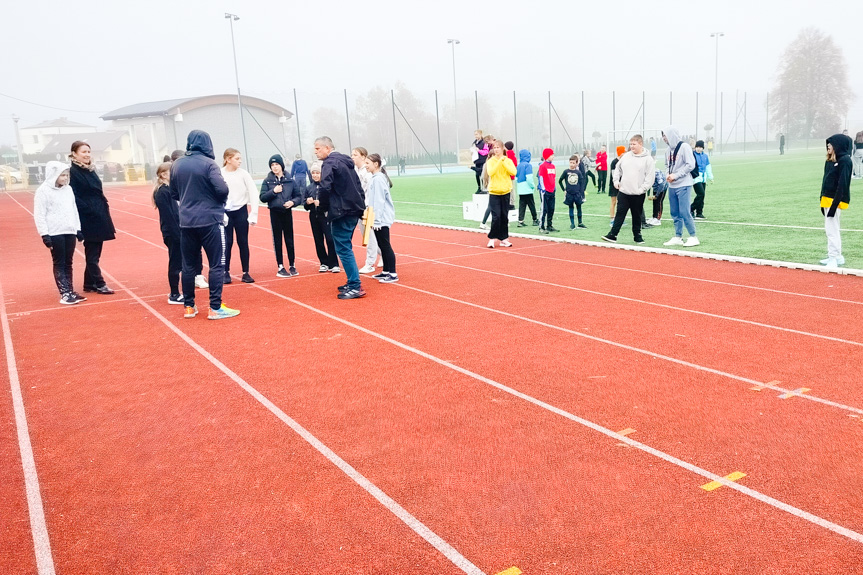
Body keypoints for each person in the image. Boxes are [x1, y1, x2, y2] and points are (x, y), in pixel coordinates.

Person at [170, 130, 239, 320]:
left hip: (186, 222)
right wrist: (215, 201)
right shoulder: (209, 164)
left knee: (189, 266)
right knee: (217, 264)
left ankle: (189, 307)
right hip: (210, 220)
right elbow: (222, 189)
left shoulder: (177, 164)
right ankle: (215, 307)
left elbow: (174, 193)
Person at [314, 136, 367, 299]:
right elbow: (358, 186)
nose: (315, 152)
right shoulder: (346, 162)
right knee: (345, 246)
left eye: (318, 148)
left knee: (343, 248)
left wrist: (322, 208)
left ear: (328, 148)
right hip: (352, 209)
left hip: (341, 211)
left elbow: (324, 187)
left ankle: (355, 285)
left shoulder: (330, 163)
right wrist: (360, 205)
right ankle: (352, 281)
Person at [34, 161, 85, 305]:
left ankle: (70, 290)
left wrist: (77, 228)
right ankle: (64, 293)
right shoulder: (43, 191)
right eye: (62, 175)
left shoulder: (68, 189)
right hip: (54, 232)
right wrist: (44, 234)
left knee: (69, 262)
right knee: (59, 262)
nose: (65, 178)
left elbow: (73, 209)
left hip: (69, 230)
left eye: (66, 175)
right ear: (53, 175)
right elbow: (39, 214)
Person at [68, 140, 116, 295]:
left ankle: (89, 283)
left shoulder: (90, 169)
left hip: (99, 214)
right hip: (88, 217)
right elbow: (74, 195)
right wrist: (88, 210)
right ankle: (100, 283)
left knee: (95, 251)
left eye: (88, 152)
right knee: (93, 252)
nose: (87, 155)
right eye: (83, 152)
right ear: (74, 153)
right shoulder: (73, 172)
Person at [602, 135, 655, 244]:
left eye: (634, 144)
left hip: (638, 194)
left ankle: (637, 236)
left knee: (637, 215)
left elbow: (650, 177)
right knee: (620, 213)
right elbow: (617, 169)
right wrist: (616, 181)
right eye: (630, 144)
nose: (631, 146)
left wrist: (642, 189)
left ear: (641, 144)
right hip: (624, 192)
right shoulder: (626, 156)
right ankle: (613, 235)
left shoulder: (648, 159)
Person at [260, 154, 301, 278]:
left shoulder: (290, 180)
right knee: (277, 240)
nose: (275, 167)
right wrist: (273, 191)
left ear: (281, 165)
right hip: (275, 213)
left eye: (277, 164)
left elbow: (299, 196)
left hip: (287, 212)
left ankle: (292, 264)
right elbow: (262, 197)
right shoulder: (267, 181)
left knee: (289, 239)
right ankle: (280, 266)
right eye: (272, 165)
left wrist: (292, 202)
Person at [220, 148, 258, 284]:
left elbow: (253, 192)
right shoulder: (219, 173)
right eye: (237, 158)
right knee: (227, 243)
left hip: (241, 211)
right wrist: (219, 212)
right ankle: (225, 271)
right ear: (228, 159)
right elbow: (214, 194)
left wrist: (254, 214)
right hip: (226, 212)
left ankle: (246, 272)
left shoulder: (244, 174)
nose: (240, 161)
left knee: (243, 242)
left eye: (240, 158)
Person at [172, 148, 207, 289]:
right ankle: (179, 288)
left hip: (193, 219)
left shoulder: (191, 176)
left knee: (196, 250)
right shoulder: (172, 180)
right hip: (180, 222)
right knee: (182, 255)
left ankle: (197, 276)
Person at [661, 126, 699, 247]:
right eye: (662, 136)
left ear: (671, 135)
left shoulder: (684, 147)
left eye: (665, 135)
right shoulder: (667, 150)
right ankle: (678, 236)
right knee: (674, 212)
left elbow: (690, 165)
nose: (664, 138)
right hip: (672, 185)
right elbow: (667, 165)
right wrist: (667, 174)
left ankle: (693, 236)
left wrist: (676, 175)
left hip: (684, 184)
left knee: (684, 211)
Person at [819, 134, 853, 268]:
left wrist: (834, 205)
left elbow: (842, 185)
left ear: (838, 145)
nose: (828, 145)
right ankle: (836, 256)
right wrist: (821, 200)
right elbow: (825, 181)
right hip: (827, 200)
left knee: (832, 229)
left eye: (831, 144)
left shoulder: (845, 160)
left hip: (835, 201)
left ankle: (834, 257)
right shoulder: (830, 160)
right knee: (830, 229)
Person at [152, 162, 183, 305]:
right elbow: (169, 216)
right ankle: (174, 293)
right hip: (172, 233)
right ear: (164, 175)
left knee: (179, 262)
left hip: (176, 231)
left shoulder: (170, 190)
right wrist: (177, 235)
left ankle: (176, 292)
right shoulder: (163, 192)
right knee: (175, 263)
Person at [365, 153, 398, 282]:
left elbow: (379, 201)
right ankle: (386, 271)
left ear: (376, 164)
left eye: (368, 163)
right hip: (377, 217)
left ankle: (393, 273)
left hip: (381, 218)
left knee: (385, 245)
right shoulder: (375, 178)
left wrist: (377, 220)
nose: (366, 166)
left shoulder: (378, 179)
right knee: (381, 244)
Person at [304, 161, 340, 273]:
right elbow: (304, 205)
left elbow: (333, 201)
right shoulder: (309, 187)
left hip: (326, 216)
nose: (315, 175)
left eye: (317, 173)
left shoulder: (327, 186)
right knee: (318, 240)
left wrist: (322, 203)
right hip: (314, 216)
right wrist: (308, 202)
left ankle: (334, 263)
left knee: (330, 239)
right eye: (313, 173)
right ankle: (323, 262)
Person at [352, 147, 382, 274]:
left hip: (367, 208)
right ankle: (384, 254)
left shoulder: (367, 172)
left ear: (363, 157)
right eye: (352, 154)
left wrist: (369, 208)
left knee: (368, 237)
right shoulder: (355, 170)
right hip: (360, 207)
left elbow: (371, 192)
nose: (352, 157)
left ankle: (370, 264)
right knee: (369, 236)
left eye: (355, 155)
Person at [484, 139, 517, 248]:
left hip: (506, 191)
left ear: (503, 149)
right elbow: (491, 172)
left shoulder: (507, 161)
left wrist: (504, 161)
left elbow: (513, 172)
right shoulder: (491, 161)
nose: (496, 149)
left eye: (498, 147)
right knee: (496, 216)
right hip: (494, 192)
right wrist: (499, 161)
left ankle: (504, 238)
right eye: (495, 147)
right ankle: (492, 238)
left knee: (504, 216)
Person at [559, 155, 586, 229]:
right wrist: (564, 190)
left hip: (577, 194)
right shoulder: (566, 171)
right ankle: (572, 224)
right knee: (571, 208)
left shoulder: (578, 172)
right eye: (570, 162)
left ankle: (580, 223)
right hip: (569, 194)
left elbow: (581, 183)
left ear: (576, 163)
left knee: (579, 208)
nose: (572, 164)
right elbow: (560, 181)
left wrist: (581, 193)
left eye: (573, 163)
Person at [691, 140, 714, 219]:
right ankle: (691, 208)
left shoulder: (705, 156)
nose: (698, 149)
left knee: (702, 195)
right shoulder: (692, 155)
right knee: (701, 194)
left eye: (700, 147)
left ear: (703, 148)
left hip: (703, 178)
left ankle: (699, 213)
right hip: (696, 177)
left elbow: (708, 167)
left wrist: (710, 177)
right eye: (697, 147)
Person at [515, 149, 538, 227]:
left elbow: (516, 177)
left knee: (522, 205)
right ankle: (535, 219)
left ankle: (520, 221)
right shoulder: (528, 165)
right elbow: (529, 178)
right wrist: (532, 186)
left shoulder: (518, 165)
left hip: (520, 188)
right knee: (531, 204)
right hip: (527, 188)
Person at [537, 148, 557, 233]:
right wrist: (543, 189)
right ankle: (541, 226)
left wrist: (554, 187)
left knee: (551, 208)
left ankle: (549, 225)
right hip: (545, 191)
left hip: (552, 190)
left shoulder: (553, 166)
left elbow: (553, 177)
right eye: (551, 155)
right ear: (547, 156)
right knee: (544, 209)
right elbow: (541, 177)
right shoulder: (542, 166)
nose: (553, 156)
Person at [608, 146, 625, 225]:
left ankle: (619, 219)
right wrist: (617, 182)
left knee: (620, 202)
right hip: (614, 185)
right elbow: (614, 175)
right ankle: (612, 219)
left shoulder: (623, 161)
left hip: (621, 185)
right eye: (624, 152)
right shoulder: (614, 162)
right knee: (613, 201)